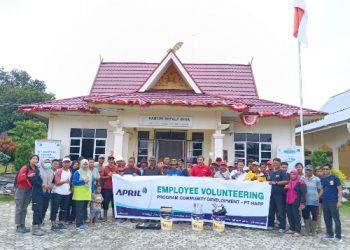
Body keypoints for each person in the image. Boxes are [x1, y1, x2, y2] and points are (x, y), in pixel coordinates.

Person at [14, 155, 38, 233]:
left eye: (36, 159)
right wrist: (28, 176)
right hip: (22, 189)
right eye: (33, 158)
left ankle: (22, 224)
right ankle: (18, 225)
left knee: (24, 208)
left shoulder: (36, 169)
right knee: (19, 207)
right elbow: (19, 179)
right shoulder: (25, 168)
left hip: (29, 190)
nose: (35, 160)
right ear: (30, 160)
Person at [320, 163, 342, 241]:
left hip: (334, 201)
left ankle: (338, 236)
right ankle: (330, 234)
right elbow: (322, 189)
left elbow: (340, 190)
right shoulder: (323, 178)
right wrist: (318, 197)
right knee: (327, 219)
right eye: (324, 169)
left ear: (330, 169)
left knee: (336, 219)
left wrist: (339, 201)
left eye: (327, 169)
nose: (325, 170)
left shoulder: (335, 178)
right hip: (325, 201)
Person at [267, 158, 289, 233]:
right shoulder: (271, 172)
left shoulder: (282, 172)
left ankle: (282, 227)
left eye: (276, 163)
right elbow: (269, 181)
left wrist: (276, 183)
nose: (275, 164)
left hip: (280, 194)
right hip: (271, 194)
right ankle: (271, 225)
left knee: (281, 211)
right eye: (274, 163)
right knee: (271, 210)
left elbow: (286, 181)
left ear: (280, 163)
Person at [50, 157, 72, 231]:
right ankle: (53, 224)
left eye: (68, 162)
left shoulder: (69, 171)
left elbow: (70, 181)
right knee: (55, 209)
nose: (66, 164)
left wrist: (70, 188)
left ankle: (61, 223)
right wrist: (65, 181)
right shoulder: (59, 171)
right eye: (65, 162)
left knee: (64, 209)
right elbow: (57, 182)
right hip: (57, 193)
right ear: (62, 163)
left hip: (66, 193)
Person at [72, 159, 94, 230]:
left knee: (84, 209)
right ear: (81, 164)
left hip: (87, 194)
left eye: (86, 164)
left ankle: (82, 222)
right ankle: (78, 224)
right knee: (79, 210)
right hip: (79, 195)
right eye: (84, 164)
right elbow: (74, 182)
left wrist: (92, 192)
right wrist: (83, 181)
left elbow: (92, 183)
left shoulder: (90, 172)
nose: (85, 166)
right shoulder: (77, 172)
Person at [301, 165, 322, 236]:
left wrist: (318, 197)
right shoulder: (302, 178)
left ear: (312, 171)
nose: (308, 171)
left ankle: (313, 231)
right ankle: (307, 231)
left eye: (309, 170)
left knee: (314, 216)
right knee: (305, 215)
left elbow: (320, 189)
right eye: (307, 170)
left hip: (314, 202)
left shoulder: (317, 179)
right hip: (305, 201)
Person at [285, 169, 306, 235]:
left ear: (296, 175)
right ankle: (292, 228)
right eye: (291, 174)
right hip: (288, 201)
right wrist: (286, 188)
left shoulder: (300, 182)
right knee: (289, 215)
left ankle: (297, 230)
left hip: (296, 201)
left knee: (296, 216)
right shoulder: (289, 182)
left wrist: (302, 203)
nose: (292, 175)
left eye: (294, 174)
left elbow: (303, 193)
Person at [100, 156, 118, 220]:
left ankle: (114, 215)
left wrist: (116, 174)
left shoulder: (116, 168)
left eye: (112, 160)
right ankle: (105, 216)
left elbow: (119, 177)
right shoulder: (105, 168)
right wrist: (108, 176)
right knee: (106, 201)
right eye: (110, 160)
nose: (111, 161)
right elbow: (101, 177)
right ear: (108, 161)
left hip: (114, 187)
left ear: (113, 161)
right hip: (106, 187)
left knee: (114, 201)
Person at [39, 159, 54, 225]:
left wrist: (51, 186)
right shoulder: (39, 170)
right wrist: (44, 186)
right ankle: (38, 221)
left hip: (48, 192)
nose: (47, 163)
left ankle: (42, 219)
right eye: (46, 162)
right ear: (42, 163)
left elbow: (53, 180)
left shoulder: (51, 171)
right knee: (39, 207)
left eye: (48, 162)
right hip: (40, 191)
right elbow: (37, 180)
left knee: (45, 207)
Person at [315, 166, 324, 232]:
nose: (319, 173)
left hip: (326, 199)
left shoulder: (326, 178)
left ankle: (329, 227)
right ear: (315, 172)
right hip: (318, 199)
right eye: (317, 171)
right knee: (318, 214)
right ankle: (319, 228)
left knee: (327, 214)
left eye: (320, 171)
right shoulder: (314, 179)